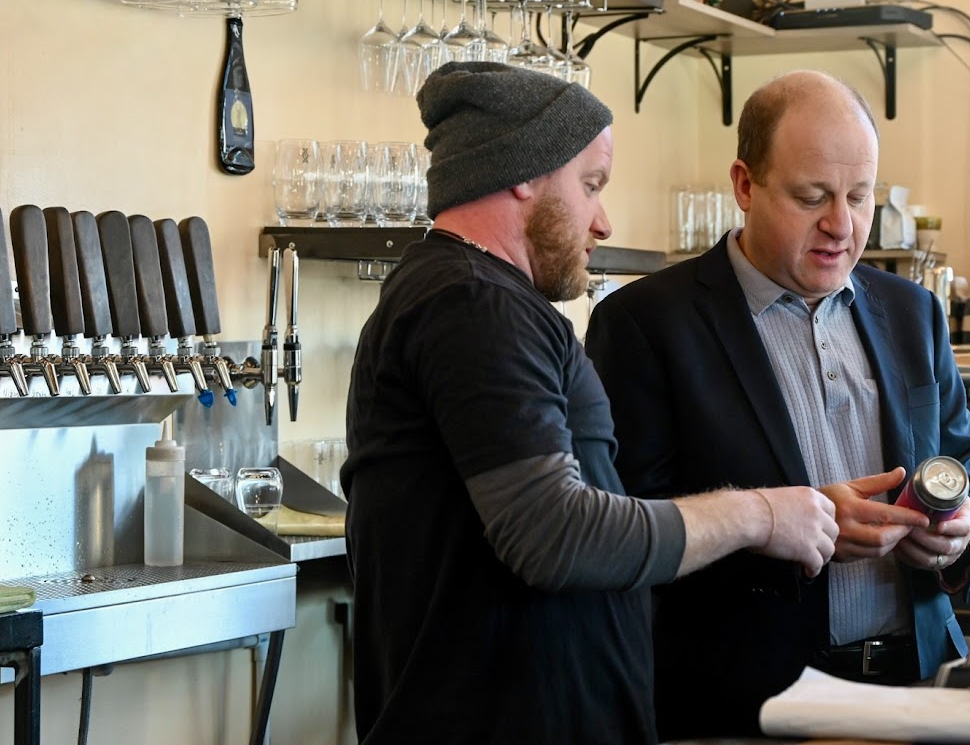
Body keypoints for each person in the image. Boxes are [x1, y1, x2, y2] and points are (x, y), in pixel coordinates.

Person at [340, 61, 841, 745]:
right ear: (524, 170)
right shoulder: (471, 303)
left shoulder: (478, 298)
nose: (602, 219)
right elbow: (554, 534)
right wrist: (756, 513)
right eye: (590, 184)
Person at [585, 70, 970, 740]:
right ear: (745, 185)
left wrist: (960, 534)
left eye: (859, 196)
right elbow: (625, 533)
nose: (841, 225)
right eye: (811, 197)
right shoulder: (646, 324)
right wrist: (783, 531)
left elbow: (969, 477)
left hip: (916, 690)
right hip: (745, 706)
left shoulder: (912, 312)